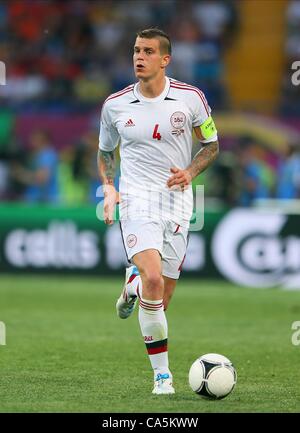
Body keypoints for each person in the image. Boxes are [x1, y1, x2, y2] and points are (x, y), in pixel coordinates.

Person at [97, 28, 219, 395]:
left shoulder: (191, 98)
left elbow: (212, 145)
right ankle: (162, 377)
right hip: (137, 201)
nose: (139, 56)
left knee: (159, 300)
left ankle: (132, 284)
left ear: (165, 59)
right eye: (136, 50)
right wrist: (108, 188)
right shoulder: (115, 105)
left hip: (179, 204)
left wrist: (191, 172)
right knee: (153, 278)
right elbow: (105, 153)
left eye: (148, 51)